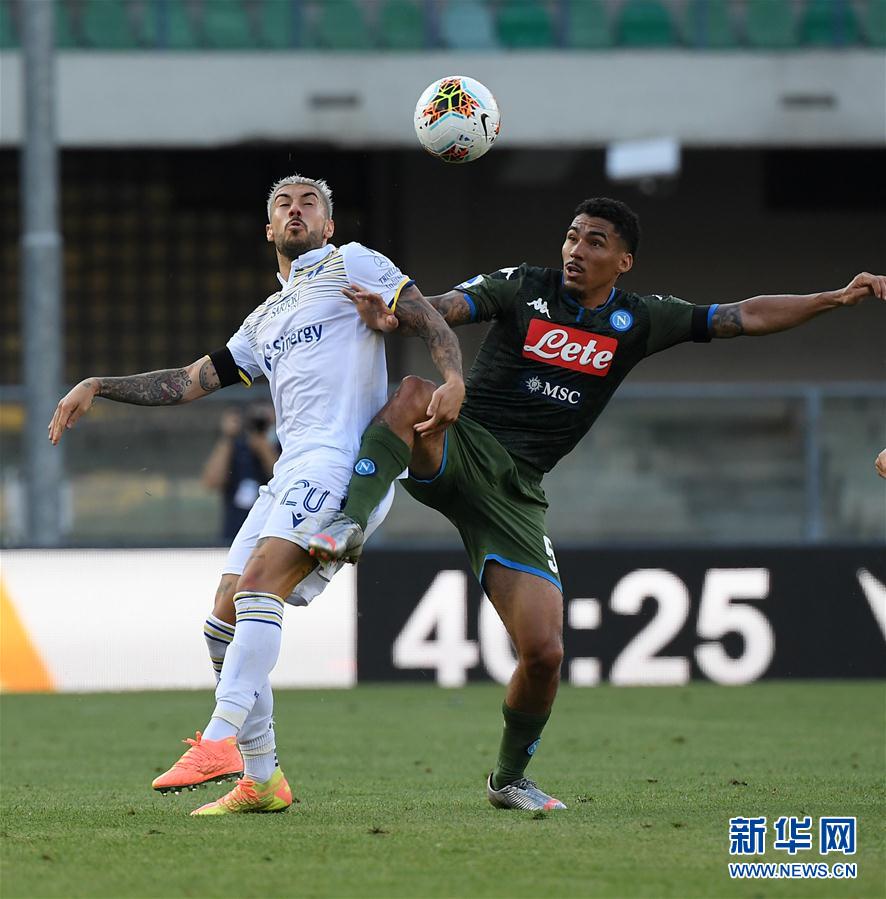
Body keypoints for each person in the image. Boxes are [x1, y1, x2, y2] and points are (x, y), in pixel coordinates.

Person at [308, 196, 886, 811]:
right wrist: (397, 315)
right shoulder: (524, 286)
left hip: (515, 493)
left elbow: (740, 316)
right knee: (414, 390)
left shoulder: (639, 320)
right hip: (456, 444)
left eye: (595, 241)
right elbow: (447, 307)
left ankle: (508, 780)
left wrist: (833, 298)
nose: (576, 250)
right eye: (572, 236)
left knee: (545, 653)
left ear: (624, 261)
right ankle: (348, 523)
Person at [48, 174, 464, 815]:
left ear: (328, 225)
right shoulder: (264, 320)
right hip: (289, 472)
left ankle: (220, 738)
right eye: (283, 205)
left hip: (339, 464)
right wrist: (99, 384)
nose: (296, 211)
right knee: (221, 620)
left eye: (309, 204)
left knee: (258, 588)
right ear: (269, 229)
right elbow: (187, 381)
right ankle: (263, 779)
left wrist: (452, 378)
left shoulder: (353, 263)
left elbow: (430, 318)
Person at [202, 403, 280, 543]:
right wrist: (228, 437)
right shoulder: (233, 447)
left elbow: (281, 478)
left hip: (270, 533)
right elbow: (211, 482)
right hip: (234, 531)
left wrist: (262, 445)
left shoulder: (281, 446)